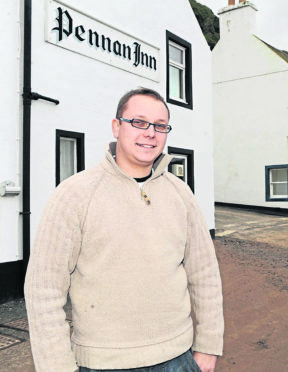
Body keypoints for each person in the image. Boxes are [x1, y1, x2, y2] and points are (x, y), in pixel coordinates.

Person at [25, 88, 224, 372]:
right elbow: (43, 290)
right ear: (117, 127)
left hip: (179, 358)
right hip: (104, 364)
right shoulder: (74, 195)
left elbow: (205, 275)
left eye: (159, 126)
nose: (150, 133)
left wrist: (207, 346)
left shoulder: (181, 194)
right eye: (139, 122)